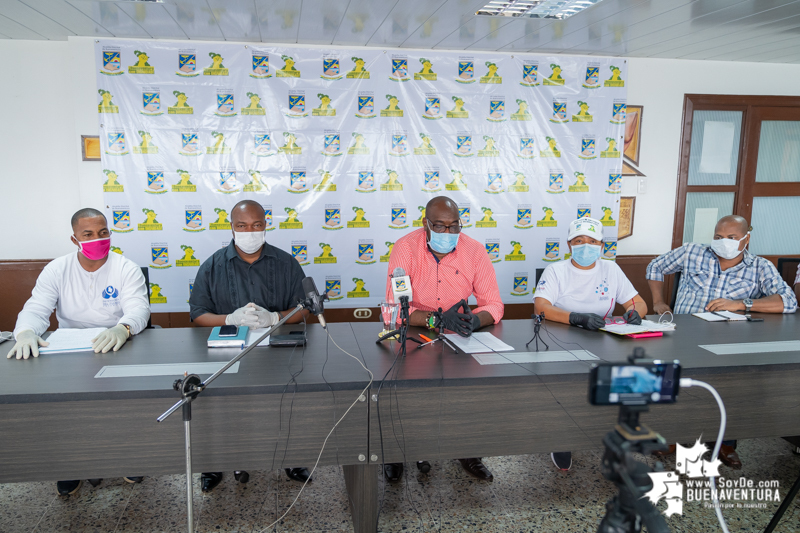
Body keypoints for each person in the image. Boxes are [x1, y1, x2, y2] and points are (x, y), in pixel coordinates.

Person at [7, 208, 150, 495]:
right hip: (70, 347)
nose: (98, 238)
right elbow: (37, 308)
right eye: (89, 234)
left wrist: (122, 328)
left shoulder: (126, 267)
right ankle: (70, 464)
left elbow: (139, 309)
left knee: (122, 405)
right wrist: (25, 332)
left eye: (103, 232)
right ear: (75, 239)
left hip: (116, 343)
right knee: (66, 407)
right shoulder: (57, 269)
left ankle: (127, 456)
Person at [646, 215, 797, 468]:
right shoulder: (692, 252)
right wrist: (658, 302)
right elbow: (655, 267)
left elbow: (788, 302)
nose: (723, 242)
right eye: (718, 236)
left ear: (746, 239)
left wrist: (741, 304)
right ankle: (673, 436)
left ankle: (725, 443)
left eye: (731, 237)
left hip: (729, 341)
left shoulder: (760, 267)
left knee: (731, 387)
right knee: (676, 383)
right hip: (685, 336)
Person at [189, 199, 311, 491]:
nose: (250, 232)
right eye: (242, 226)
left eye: (256, 225)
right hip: (227, 352)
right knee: (217, 405)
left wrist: (275, 317)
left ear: (265, 225)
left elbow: (304, 307)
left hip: (276, 351)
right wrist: (229, 318)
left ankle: (292, 458)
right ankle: (213, 464)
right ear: (231, 227)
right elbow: (197, 314)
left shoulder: (286, 262)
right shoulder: (213, 266)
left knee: (286, 400)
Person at [384, 196, 504, 482]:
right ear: (425, 224)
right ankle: (395, 452)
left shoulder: (474, 250)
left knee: (467, 393)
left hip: (459, 333)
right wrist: (436, 320)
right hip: (415, 331)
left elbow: (494, 304)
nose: (448, 233)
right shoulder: (405, 247)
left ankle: (467, 451)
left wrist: (475, 320)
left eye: (454, 226)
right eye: (439, 226)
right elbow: (393, 309)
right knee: (405, 394)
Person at [534, 217, 647, 471]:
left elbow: (638, 302)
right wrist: (575, 318)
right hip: (561, 338)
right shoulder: (556, 270)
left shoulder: (611, 269)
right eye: (579, 241)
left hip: (602, 338)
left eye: (593, 241)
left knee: (612, 387)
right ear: (569, 245)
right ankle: (562, 439)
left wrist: (635, 312)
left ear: (602, 245)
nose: (586, 246)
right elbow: (540, 307)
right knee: (567, 392)